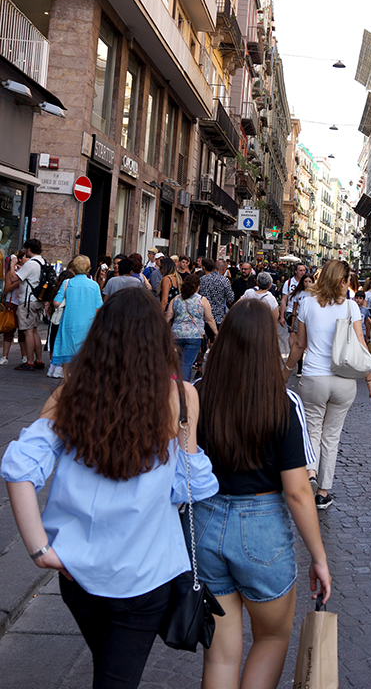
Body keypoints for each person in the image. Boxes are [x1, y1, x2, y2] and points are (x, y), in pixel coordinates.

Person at [0, 289, 218, 689]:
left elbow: (19, 467)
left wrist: (39, 549)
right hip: (144, 573)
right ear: (158, 337)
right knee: (116, 676)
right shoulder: (181, 399)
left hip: (76, 573)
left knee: (110, 668)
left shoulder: (72, 394)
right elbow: (189, 486)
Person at [191, 300, 331, 689]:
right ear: (270, 346)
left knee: (219, 656)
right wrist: (318, 557)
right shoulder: (284, 404)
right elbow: (299, 491)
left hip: (205, 522)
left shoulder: (199, 394)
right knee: (270, 637)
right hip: (262, 529)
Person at [287, 260, 371, 510]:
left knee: (312, 431)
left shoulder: (307, 303)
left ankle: (310, 472)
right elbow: (361, 344)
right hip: (344, 381)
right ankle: (323, 493)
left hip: (314, 378)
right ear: (342, 281)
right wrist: (370, 380)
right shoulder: (351, 307)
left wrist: (285, 369)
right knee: (332, 436)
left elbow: (299, 344)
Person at [48, 255, 103, 379]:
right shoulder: (94, 285)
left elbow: (56, 303)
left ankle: (64, 372)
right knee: (83, 346)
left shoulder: (67, 283)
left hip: (69, 321)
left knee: (67, 344)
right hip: (87, 323)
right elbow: (98, 307)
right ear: (88, 268)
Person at [4, 238, 47, 371]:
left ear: (29, 249)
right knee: (34, 331)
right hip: (38, 300)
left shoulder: (30, 264)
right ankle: (39, 360)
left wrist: (12, 264)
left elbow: (13, 278)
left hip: (28, 301)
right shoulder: (42, 262)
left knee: (28, 331)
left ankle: (29, 362)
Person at [166, 273, 217, 381]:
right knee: (186, 363)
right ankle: (183, 388)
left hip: (176, 334)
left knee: (182, 362)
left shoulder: (176, 299)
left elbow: (169, 316)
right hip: (194, 335)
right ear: (198, 286)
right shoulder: (202, 300)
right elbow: (209, 319)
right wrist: (217, 333)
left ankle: (185, 385)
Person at [1, 249, 26, 366]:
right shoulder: (13, 272)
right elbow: (6, 288)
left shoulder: (28, 271)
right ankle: (5, 356)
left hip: (24, 302)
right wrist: (19, 282)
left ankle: (24, 356)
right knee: (9, 329)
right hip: (12, 302)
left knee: (23, 331)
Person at [198, 257, 234, 329]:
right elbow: (231, 298)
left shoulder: (202, 279)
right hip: (217, 317)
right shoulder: (224, 281)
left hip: (203, 316)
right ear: (224, 270)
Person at [279, 263, 306, 327]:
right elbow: (284, 299)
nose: (303, 272)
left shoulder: (306, 283)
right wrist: (282, 316)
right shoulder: (288, 283)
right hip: (291, 312)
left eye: (304, 270)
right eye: (300, 270)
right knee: (292, 334)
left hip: (303, 312)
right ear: (295, 271)